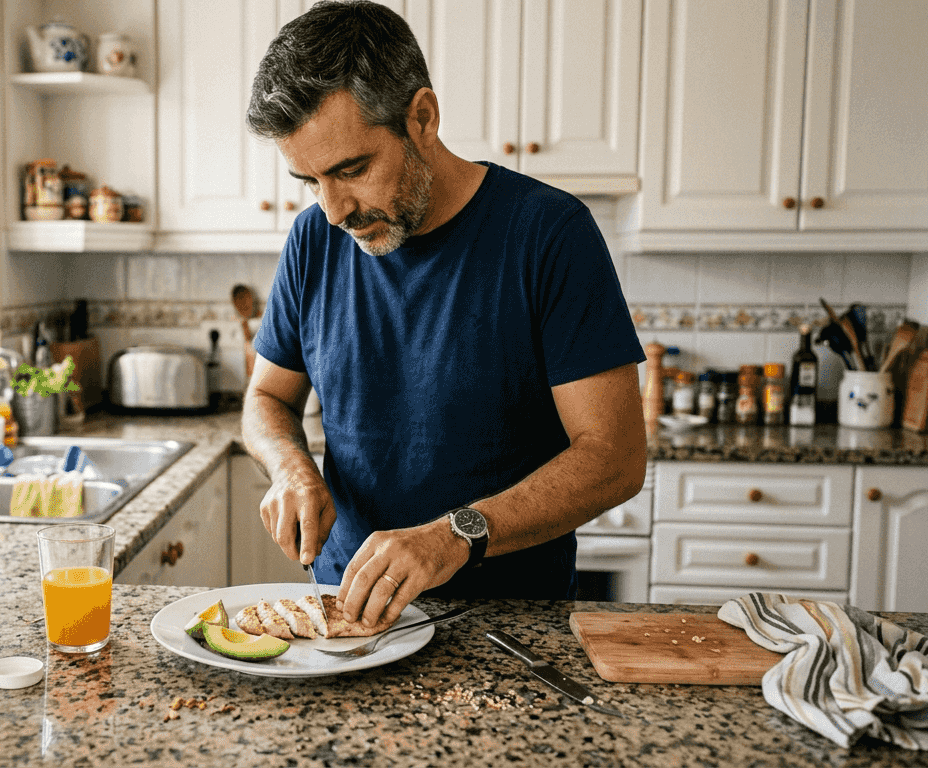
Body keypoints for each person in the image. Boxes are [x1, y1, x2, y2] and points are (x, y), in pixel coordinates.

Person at [241, 0, 647, 632]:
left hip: (511, 631)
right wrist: (290, 464)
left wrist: (454, 536)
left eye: (352, 170)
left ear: (422, 117)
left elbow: (615, 458)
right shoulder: (313, 240)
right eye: (309, 180)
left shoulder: (548, 234)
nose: (334, 208)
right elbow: (266, 397)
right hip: (348, 620)